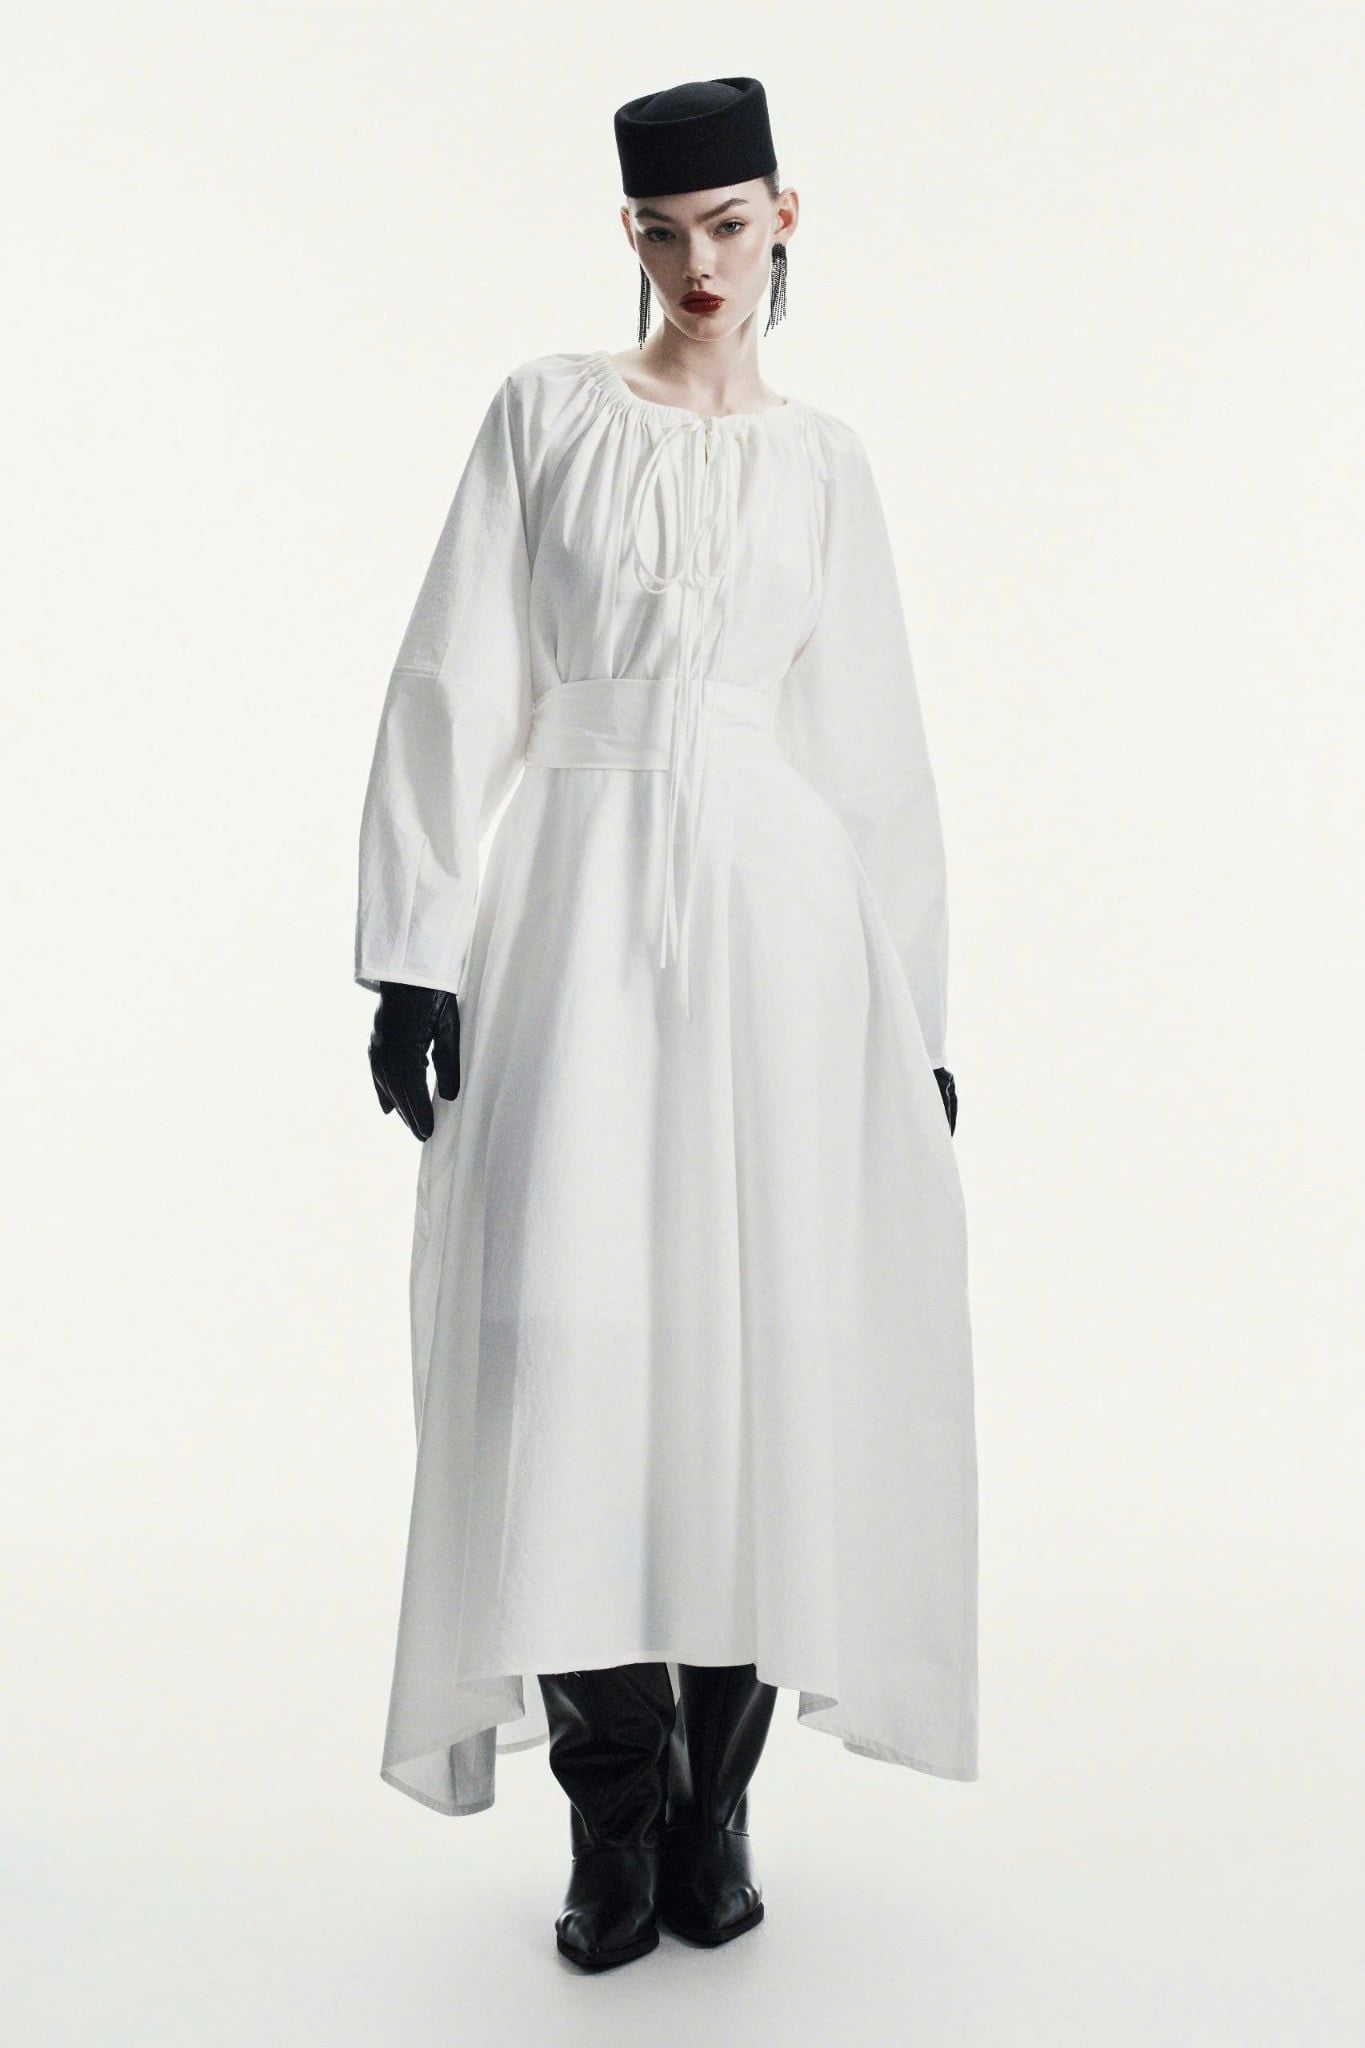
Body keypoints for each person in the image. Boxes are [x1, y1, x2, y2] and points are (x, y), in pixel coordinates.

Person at [354, 75, 979, 1973]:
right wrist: (412, 949)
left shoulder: (823, 467)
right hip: (572, 901)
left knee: (755, 1351)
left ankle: (716, 1806)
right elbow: (455, 672)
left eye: (724, 223)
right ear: (623, 235)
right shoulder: (544, 415)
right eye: (659, 230)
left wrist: (914, 1020)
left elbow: (870, 753)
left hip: (780, 942)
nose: (696, 263)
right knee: (568, 1332)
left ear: (785, 215)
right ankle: (609, 1815)